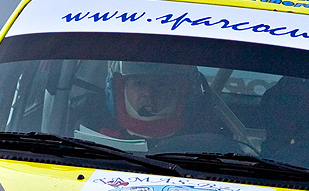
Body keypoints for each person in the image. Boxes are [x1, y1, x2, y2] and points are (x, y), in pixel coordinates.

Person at [82, 62, 237, 153]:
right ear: (118, 91)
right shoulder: (89, 142)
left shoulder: (213, 147)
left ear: (184, 92)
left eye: (162, 84)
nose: (148, 93)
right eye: (139, 83)